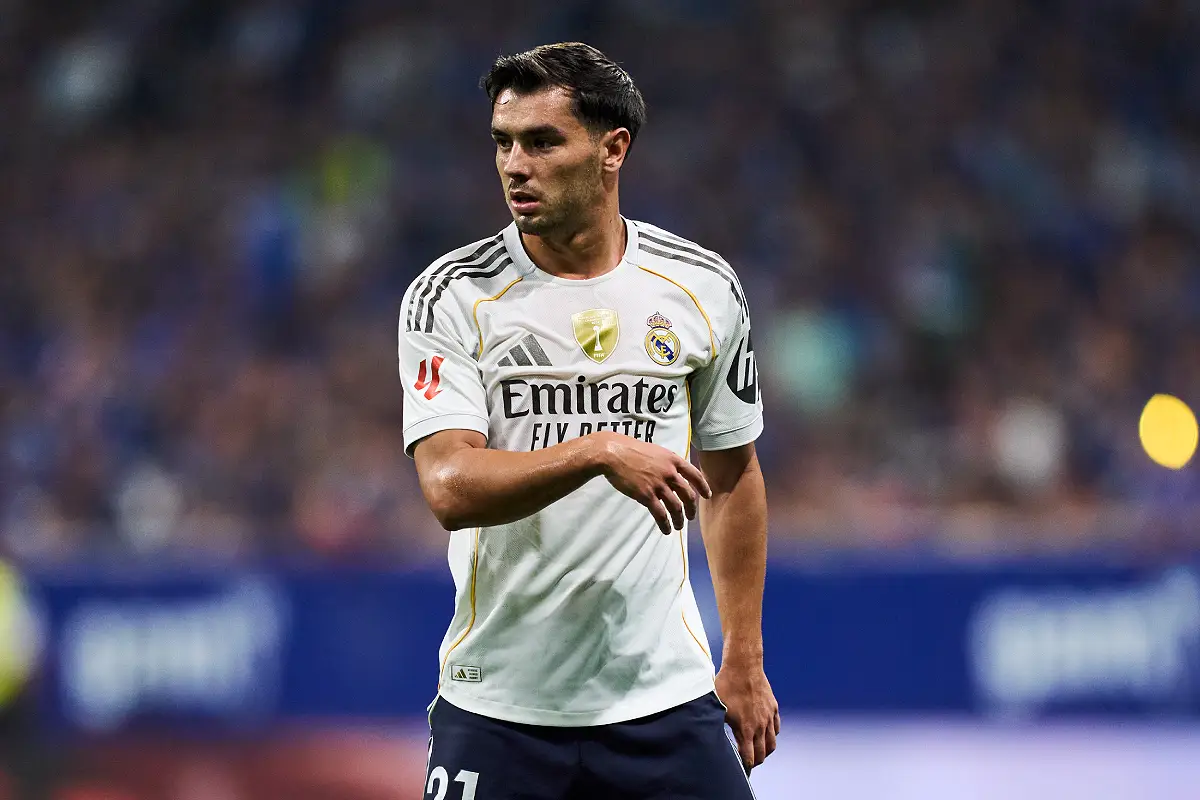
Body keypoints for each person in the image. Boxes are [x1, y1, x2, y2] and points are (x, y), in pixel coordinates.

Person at [400, 42, 777, 799]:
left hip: (663, 703)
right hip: (500, 706)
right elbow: (448, 484)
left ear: (613, 150)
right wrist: (598, 451)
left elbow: (733, 475)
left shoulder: (700, 286)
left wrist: (742, 657)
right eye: (503, 142)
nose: (515, 164)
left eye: (543, 142)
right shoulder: (451, 295)